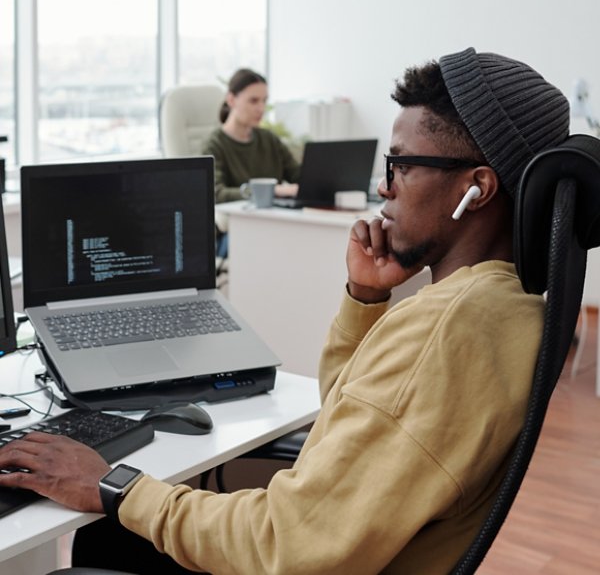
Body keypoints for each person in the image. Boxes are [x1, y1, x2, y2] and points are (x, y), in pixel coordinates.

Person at [0, 47, 570, 574]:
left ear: (478, 188)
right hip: (360, 547)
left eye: (401, 165)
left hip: (302, 558)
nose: (383, 187)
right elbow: (349, 412)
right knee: (113, 540)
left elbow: (286, 543)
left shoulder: (448, 329)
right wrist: (366, 298)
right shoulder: (501, 307)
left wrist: (113, 483)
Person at [202, 67, 301, 204]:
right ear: (231, 100)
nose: (261, 108)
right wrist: (271, 191)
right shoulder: (214, 145)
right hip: (240, 220)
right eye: (253, 101)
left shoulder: (269, 139)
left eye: (264, 101)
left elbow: (298, 176)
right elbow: (216, 194)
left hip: (275, 217)